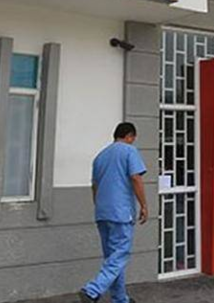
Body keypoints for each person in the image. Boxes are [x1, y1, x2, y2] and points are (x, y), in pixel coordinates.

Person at [80, 122, 148, 303]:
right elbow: (135, 177)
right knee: (119, 256)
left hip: (103, 213)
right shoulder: (129, 151)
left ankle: (120, 299)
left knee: (113, 259)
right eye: (133, 138)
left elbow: (94, 186)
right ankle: (92, 290)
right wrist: (144, 205)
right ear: (129, 136)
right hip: (121, 212)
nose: (133, 142)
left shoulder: (100, 156)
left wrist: (100, 206)